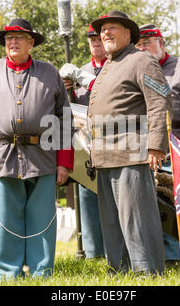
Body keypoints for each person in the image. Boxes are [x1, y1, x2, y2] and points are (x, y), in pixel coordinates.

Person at [0, 18, 73, 280]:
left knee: (42, 222)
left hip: (43, 158)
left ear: (31, 43)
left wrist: (64, 161)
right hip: (3, 158)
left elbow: (64, 118)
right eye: (8, 38)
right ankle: (9, 276)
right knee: (5, 224)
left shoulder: (50, 73)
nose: (12, 42)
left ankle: (41, 273)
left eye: (19, 37)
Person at [87, 10, 172, 275]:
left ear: (128, 34)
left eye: (112, 28)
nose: (106, 33)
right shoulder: (109, 64)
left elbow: (160, 102)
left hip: (131, 153)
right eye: (103, 30)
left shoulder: (141, 60)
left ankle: (147, 273)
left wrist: (156, 144)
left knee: (137, 222)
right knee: (111, 223)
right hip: (105, 156)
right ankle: (120, 272)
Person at [136, 24, 180, 266]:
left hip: (175, 141)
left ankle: (173, 256)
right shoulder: (137, 69)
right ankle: (151, 254)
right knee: (148, 202)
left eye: (148, 43)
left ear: (161, 43)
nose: (143, 48)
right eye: (139, 44)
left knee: (172, 201)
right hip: (144, 143)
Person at [59, 24, 107, 259]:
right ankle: (92, 252)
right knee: (87, 197)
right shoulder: (81, 69)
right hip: (86, 141)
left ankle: (112, 251)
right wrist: (64, 86)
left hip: (111, 138)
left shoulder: (113, 67)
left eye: (99, 39)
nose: (96, 43)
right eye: (92, 40)